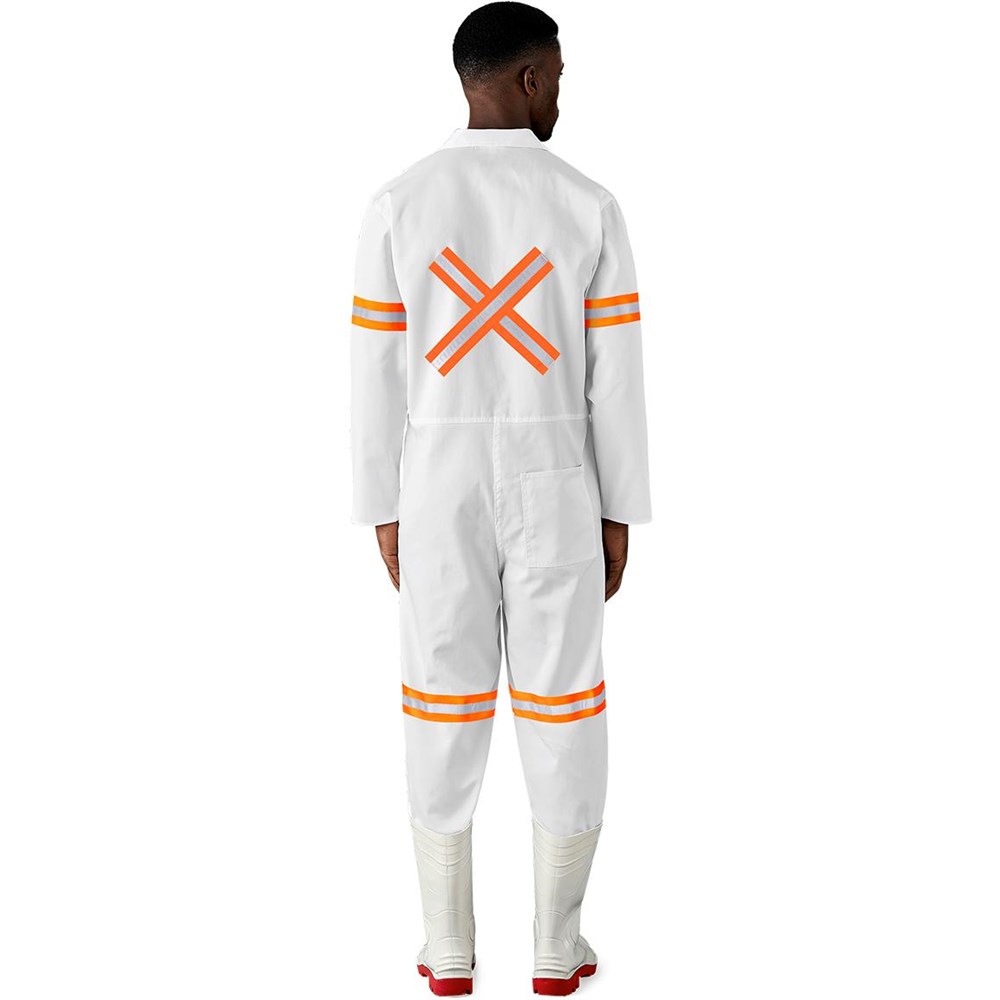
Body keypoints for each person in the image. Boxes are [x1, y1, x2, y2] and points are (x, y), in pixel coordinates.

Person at [349, 3, 651, 994]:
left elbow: (374, 372)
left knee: (440, 690)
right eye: (556, 73)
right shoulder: (587, 204)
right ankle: (558, 945)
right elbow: (615, 378)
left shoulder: (399, 202)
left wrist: (383, 506)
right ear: (526, 78)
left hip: (435, 481)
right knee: (564, 697)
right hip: (558, 475)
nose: (562, 90)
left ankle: (447, 946)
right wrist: (619, 507)